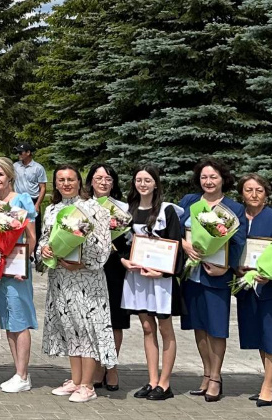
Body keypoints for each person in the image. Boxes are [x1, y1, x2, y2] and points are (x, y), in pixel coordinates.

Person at [39, 163, 117, 403]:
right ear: (56, 183)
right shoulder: (51, 210)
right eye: (61, 180)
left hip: (87, 278)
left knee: (87, 328)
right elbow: (44, 239)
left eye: (70, 179)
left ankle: (87, 385)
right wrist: (44, 250)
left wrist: (84, 263)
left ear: (79, 182)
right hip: (61, 278)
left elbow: (103, 245)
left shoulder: (93, 208)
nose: (66, 184)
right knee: (70, 327)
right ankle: (75, 380)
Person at [178, 156, 245, 403]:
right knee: (199, 326)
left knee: (216, 328)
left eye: (213, 177)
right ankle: (206, 374)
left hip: (216, 276)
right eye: (204, 177)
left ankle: (216, 377)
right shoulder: (189, 201)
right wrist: (184, 245)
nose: (208, 181)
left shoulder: (234, 208)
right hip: (191, 275)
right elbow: (175, 229)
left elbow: (238, 242)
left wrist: (226, 267)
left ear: (222, 179)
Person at [121, 165, 183, 400]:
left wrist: (164, 273)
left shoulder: (167, 211)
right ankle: (152, 380)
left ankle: (165, 384)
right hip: (138, 277)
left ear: (156, 183)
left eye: (147, 180)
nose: (143, 184)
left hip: (160, 280)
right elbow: (122, 243)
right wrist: (124, 260)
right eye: (139, 180)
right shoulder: (128, 211)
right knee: (147, 328)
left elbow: (176, 245)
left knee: (165, 328)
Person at [235, 173, 272, 407]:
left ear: (266, 194)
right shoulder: (236, 218)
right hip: (246, 285)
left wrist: (271, 274)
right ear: (242, 194)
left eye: (259, 190)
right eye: (249, 190)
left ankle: (267, 387)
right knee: (258, 335)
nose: (254, 194)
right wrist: (234, 266)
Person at [0, 157, 38, 394]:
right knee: (8, 320)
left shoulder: (21, 199)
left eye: (0, 174)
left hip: (17, 268)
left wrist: (23, 265)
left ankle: (23, 374)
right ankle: (18, 371)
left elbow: (31, 237)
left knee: (20, 318)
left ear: (9, 176)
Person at [88, 162, 129, 391]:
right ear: (91, 181)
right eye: (99, 178)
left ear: (113, 183)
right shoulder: (83, 206)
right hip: (90, 269)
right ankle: (96, 366)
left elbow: (128, 242)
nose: (103, 182)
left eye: (108, 179)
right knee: (93, 320)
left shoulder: (122, 208)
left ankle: (111, 367)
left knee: (114, 319)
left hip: (115, 267)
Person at [15, 145, 49, 236]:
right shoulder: (15, 166)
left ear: (28, 152)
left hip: (32, 200)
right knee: (16, 228)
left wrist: (37, 204)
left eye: (20, 152)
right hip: (19, 200)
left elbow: (43, 188)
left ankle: (35, 245)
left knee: (34, 230)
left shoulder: (38, 168)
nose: (18, 155)